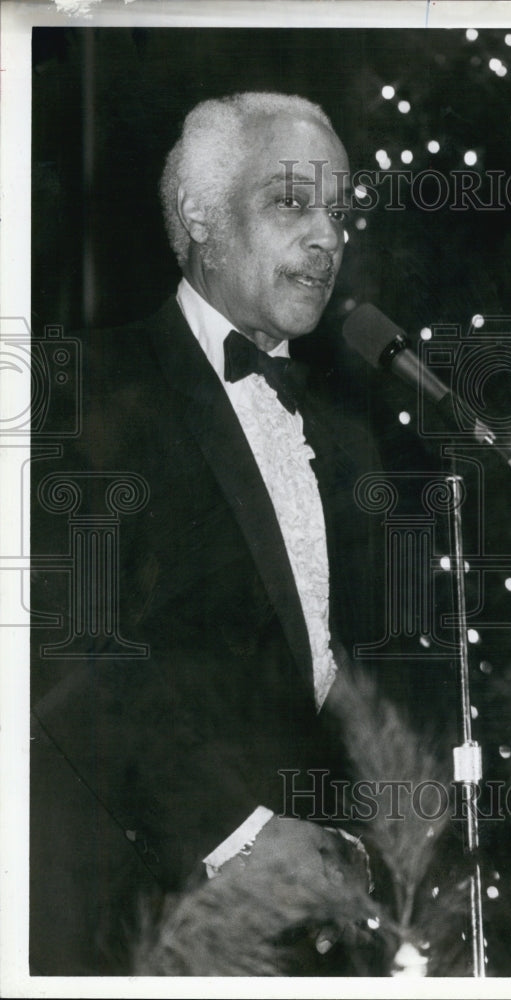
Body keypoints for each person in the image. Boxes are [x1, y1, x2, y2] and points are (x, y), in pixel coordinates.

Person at [29, 92, 381, 975]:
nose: (328, 237)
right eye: (291, 202)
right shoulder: (83, 389)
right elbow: (69, 653)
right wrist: (240, 836)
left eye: (340, 212)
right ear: (199, 216)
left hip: (311, 928)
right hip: (134, 914)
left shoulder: (347, 435)